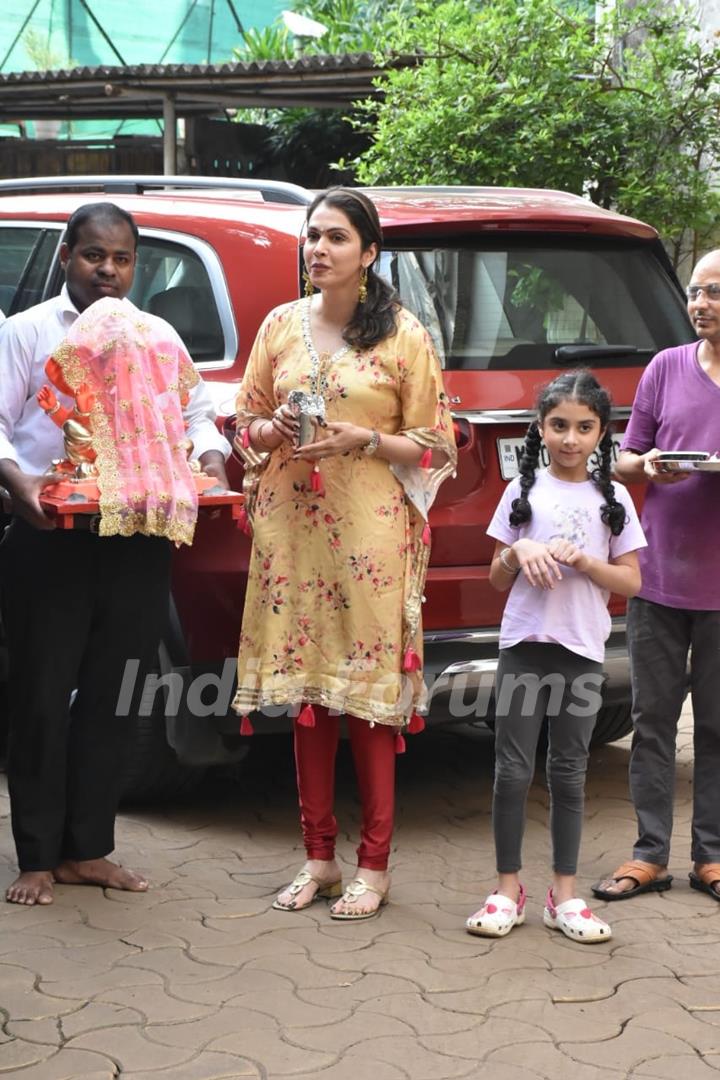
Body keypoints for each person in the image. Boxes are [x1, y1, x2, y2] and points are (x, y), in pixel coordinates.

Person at [232, 186, 456, 920]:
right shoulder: (279, 326)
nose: (318, 250)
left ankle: (376, 866)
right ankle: (319, 857)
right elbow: (247, 420)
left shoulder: (402, 336)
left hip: (369, 539)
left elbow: (436, 445)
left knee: (367, 703)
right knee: (307, 700)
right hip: (293, 536)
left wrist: (364, 439)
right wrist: (267, 435)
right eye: (312, 237)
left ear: (369, 253)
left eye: (334, 238)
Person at [0, 202, 230, 906]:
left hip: (137, 536)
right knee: (40, 694)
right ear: (67, 254)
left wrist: (212, 461)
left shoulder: (156, 336)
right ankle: (37, 857)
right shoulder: (26, 332)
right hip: (51, 536)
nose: (109, 270)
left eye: (123, 258)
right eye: (95, 255)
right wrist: (19, 482)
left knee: (116, 694)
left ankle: (87, 850)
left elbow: (196, 416)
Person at [465, 371, 645, 943]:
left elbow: (632, 582)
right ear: (540, 429)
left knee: (569, 772)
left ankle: (563, 896)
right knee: (512, 771)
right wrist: (519, 550)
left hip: (582, 653)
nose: (570, 439)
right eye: (559, 426)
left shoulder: (611, 499)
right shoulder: (522, 494)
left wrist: (589, 564)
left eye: (584, 427)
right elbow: (495, 578)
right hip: (524, 648)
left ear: (601, 433)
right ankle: (506, 889)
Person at [593, 250, 720, 905]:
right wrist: (651, 467)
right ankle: (649, 855)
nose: (701, 303)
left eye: (715, 293)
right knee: (652, 721)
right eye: (696, 291)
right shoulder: (665, 368)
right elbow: (622, 458)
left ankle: (712, 856)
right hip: (660, 579)